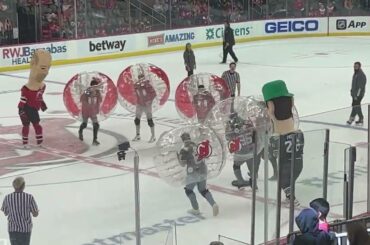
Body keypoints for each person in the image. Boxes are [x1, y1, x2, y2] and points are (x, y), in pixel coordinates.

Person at [262, 80, 304, 206]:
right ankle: (289, 194)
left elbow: (271, 111)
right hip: (297, 149)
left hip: (283, 147)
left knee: (283, 178)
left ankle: (291, 198)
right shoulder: (290, 99)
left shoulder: (271, 104)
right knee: (290, 175)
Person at [178, 132, 219, 216]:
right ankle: (213, 204)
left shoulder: (184, 150)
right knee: (203, 190)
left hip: (192, 172)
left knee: (188, 190)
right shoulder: (197, 145)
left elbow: (182, 164)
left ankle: (195, 208)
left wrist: (178, 157)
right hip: (203, 170)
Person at [18, 49, 52, 148]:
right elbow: (22, 101)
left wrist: (42, 104)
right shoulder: (26, 88)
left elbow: (39, 96)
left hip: (33, 109)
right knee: (26, 126)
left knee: (37, 125)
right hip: (26, 108)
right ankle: (25, 144)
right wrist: (21, 111)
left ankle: (40, 143)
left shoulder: (42, 86)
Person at [225, 112, 262, 189]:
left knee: (236, 165)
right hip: (251, 150)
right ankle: (254, 183)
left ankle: (240, 181)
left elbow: (227, 137)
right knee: (252, 168)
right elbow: (255, 134)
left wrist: (227, 127)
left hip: (240, 153)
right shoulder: (247, 125)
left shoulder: (233, 127)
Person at [1, 177, 39, 245]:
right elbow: (35, 214)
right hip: (25, 229)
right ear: (23, 185)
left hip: (12, 229)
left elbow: (5, 212)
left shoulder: (8, 197)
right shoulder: (29, 197)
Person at [133, 70, 157, 143]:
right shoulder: (136, 85)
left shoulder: (147, 85)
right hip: (139, 104)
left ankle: (153, 136)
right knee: (137, 120)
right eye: (139, 77)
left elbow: (154, 94)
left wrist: (149, 101)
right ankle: (138, 135)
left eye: (142, 77)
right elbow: (136, 94)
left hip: (147, 105)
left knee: (149, 121)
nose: (140, 79)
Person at [78, 78, 102, 145]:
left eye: (96, 86)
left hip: (93, 111)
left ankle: (95, 139)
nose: (95, 88)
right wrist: (88, 94)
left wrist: (97, 95)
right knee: (84, 124)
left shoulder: (97, 92)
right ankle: (80, 131)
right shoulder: (87, 91)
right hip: (86, 111)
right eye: (94, 86)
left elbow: (100, 100)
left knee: (96, 125)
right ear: (91, 86)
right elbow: (82, 99)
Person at [347, 61, 367, 126]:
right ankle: (356, 119)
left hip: (358, 94)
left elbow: (360, 87)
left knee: (356, 105)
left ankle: (355, 118)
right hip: (354, 94)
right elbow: (354, 84)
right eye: (354, 66)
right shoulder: (356, 73)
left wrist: (356, 96)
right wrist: (352, 92)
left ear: (359, 67)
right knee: (355, 106)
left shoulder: (361, 75)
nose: (355, 67)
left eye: (356, 66)